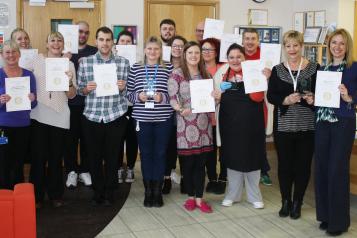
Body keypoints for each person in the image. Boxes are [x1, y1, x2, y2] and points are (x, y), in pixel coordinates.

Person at [267, 30, 317, 219]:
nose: (292, 49)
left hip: (307, 127)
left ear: (301, 46)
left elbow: (321, 94)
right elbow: (271, 95)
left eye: (296, 45)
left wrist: (314, 98)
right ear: (284, 48)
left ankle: (298, 202)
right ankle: (285, 201)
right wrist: (286, 99)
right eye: (288, 45)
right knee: (285, 166)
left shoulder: (314, 68)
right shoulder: (277, 69)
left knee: (303, 167)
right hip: (284, 127)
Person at [77, 26, 129, 206]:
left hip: (115, 115)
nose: (105, 43)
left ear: (112, 42)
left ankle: (110, 191)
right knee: (94, 156)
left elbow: (129, 92)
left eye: (108, 40)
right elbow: (80, 90)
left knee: (113, 156)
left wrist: (123, 88)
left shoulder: (123, 63)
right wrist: (86, 89)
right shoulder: (85, 62)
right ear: (96, 41)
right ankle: (98, 192)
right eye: (101, 39)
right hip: (92, 116)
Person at [314, 29, 357, 236]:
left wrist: (349, 97)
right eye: (333, 43)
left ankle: (339, 222)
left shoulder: (353, 69)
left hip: (342, 123)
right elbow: (321, 97)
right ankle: (326, 216)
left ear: (347, 47)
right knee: (321, 168)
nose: (337, 47)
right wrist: (313, 100)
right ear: (329, 46)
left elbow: (354, 98)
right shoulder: (323, 68)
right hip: (323, 123)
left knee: (336, 171)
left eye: (341, 44)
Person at [213, 43, 266, 209]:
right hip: (230, 124)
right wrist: (218, 95)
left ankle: (254, 196)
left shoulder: (254, 72)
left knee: (252, 157)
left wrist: (254, 81)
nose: (235, 60)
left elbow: (258, 98)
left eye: (239, 56)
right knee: (232, 157)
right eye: (231, 57)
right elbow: (217, 98)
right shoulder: (223, 74)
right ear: (227, 60)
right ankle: (232, 195)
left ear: (245, 58)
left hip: (252, 124)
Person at [30, 32, 77, 208]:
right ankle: (37, 197)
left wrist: (69, 82)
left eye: (59, 40)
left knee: (56, 158)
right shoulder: (36, 60)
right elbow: (24, 79)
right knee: (39, 158)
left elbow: (72, 95)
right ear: (47, 43)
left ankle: (56, 194)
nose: (56, 43)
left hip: (60, 115)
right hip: (40, 115)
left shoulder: (69, 64)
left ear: (63, 44)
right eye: (52, 40)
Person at [127, 36, 173, 207]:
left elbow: (174, 93)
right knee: (146, 155)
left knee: (160, 154)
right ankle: (148, 191)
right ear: (144, 50)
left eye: (156, 49)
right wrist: (138, 96)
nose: (153, 52)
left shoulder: (168, 67)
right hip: (142, 120)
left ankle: (157, 191)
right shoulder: (136, 68)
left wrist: (163, 97)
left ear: (161, 50)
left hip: (163, 119)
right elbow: (129, 93)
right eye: (149, 49)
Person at [168, 41, 213, 213]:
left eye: (196, 53)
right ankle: (190, 198)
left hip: (203, 125)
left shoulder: (206, 74)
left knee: (201, 164)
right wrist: (180, 109)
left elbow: (210, 99)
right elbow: (172, 98)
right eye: (190, 53)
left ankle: (200, 199)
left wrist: (216, 97)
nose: (194, 56)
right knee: (188, 164)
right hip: (185, 125)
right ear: (184, 55)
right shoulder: (176, 74)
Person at [65, 21, 98, 188]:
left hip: (89, 104)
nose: (83, 35)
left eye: (86, 32)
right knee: (70, 139)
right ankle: (71, 171)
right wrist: (64, 60)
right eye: (80, 32)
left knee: (87, 139)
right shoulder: (65, 52)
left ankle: (85, 170)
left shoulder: (94, 51)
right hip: (69, 103)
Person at [0, 40, 37, 189]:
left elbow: (34, 104)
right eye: (7, 52)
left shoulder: (29, 75)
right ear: (2, 55)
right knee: (3, 161)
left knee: (19, 162)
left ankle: (19, 195)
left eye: (14, 51)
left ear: (19, 54)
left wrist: (33, 99)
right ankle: (4, 197)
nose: (11, 55)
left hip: (23, 126)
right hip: (3, 127)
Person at [242, 28, 273, 186]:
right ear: (243, 41)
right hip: (241, 104)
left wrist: (270, 75)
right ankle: (243, 170)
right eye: (247, 38)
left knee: (259, 139)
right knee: (242, 138)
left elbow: (275, 78)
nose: (250, 42)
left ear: (258, 40)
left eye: (253, 38)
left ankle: (263, 170)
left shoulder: (266, 57)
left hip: (260, 103)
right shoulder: (238, 56)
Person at [200, 37, 226, 195]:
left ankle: (223, 178)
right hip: (205, 117)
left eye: (210, 49)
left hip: (222, 115)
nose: (207, 52)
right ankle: (212, 178)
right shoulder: (197, 69)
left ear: (217, 52)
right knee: (209, 150)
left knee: (223, 148)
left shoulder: (225, 69)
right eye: (204, 49)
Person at [162, 35, 187, 195]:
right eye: (175, 46)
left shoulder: (189, 65)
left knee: (185, 148)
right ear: (169, 48)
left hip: (186, 113)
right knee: (169, 147)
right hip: (168, 112)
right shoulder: (164, 66)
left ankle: (186, 179)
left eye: (181, 46)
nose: (178, 49)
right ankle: (167, 179)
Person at [116, 30, 138, 184]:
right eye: (122, 41)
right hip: (117, 106)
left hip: (133, 106)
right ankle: (117, 168)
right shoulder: (112, 61)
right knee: (117, 139)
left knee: (132, 139)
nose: (125, 43)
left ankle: (130, 168)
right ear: (117, 44)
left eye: (128, 41)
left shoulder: (138, 63)